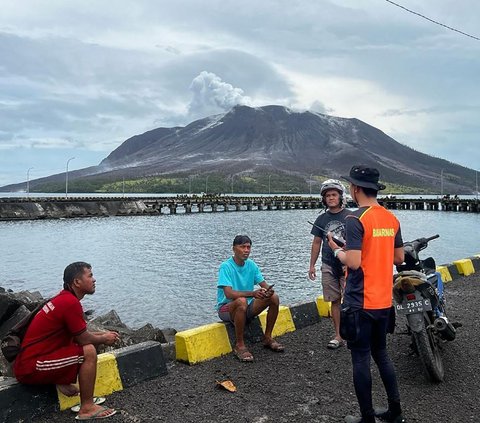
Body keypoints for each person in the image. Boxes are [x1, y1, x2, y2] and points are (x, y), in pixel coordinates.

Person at [327, 166, 406, 423]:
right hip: (384, 301)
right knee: (381, 355)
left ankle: (367, 417)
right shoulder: (391, 219)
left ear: (355, 188)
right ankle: (395, 412)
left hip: (360, 301)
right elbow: (399, 257)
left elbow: (354, 262)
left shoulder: (355, 219)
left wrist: (337, 250)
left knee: (360, 358)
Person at [13, 262, 119, 420]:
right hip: (31, 365)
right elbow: (84, 339)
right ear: (77, 282)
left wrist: (103, 333)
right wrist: (105, 338)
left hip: (33, 360)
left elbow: (78, 334)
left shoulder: (63, 298)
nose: (94, 279)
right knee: (88, 351)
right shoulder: (70, 303)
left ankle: (68, 386)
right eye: (90, 276)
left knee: (81, 345)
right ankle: (87, 408)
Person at [216, 235, 284, 362]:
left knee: (274, 297)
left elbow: (264, 284)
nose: (246, 250)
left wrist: (268, 291)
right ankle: (240, 345)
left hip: (245, 306)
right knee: (241, 301)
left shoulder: (251, 265)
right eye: (242, 247)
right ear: (234, 249)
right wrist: (253, 294)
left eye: (248, 247)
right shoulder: (226, 267)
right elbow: (229, 294)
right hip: (227, 308)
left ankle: (267, 337)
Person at [308, 179, 350, 349]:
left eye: (334, 195)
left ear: (341, 197)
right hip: (328, 264)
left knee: (352, 300)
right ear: (323, 199)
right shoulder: (321, 218)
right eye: (327, 196)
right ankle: (338, 335)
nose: (331, 198)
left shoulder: (350, 216)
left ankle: (355, 332)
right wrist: (311, 265)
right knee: (334, 300)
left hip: (348, 264)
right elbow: (316, 243)